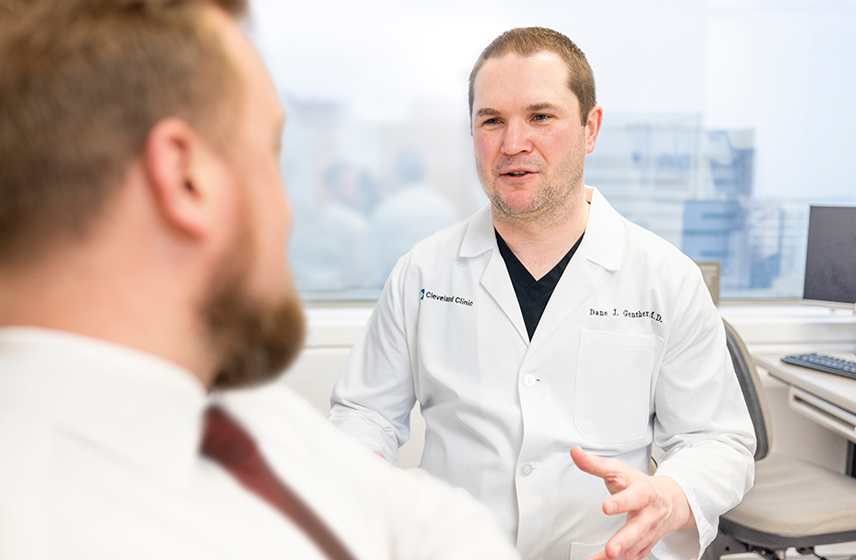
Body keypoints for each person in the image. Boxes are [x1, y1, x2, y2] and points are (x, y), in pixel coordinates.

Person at [0, 2, 521, 559]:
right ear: (186, 178)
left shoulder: (238, 418)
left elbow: (442, 521)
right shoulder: (42, 527)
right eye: (271, 154)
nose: (290, 212)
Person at [329, 27, 756, 560]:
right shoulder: (422, 272)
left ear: (590, 128)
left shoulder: (665, 278)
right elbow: (364, 411)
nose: (513, 144)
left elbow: (717, 442)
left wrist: (669, 497)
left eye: (540, 116)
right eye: (492, 121)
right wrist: (358, 466)